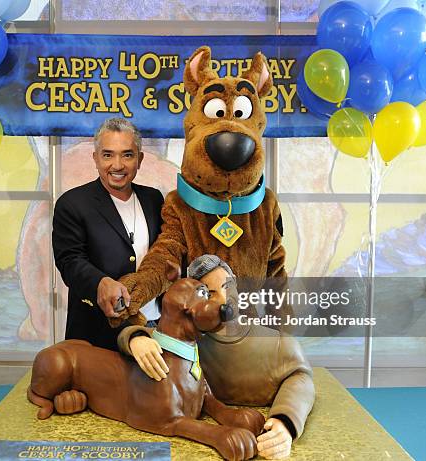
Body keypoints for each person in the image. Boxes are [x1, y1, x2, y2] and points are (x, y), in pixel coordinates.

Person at [118, 255, 315, 460]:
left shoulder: (277, 342)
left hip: (257, 425)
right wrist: (135, 338)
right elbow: (153, 338)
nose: (223, 299)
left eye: (227, 286)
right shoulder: (189, 341)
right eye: (209, 294)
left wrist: (285, 421)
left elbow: (301, 378)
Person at [52, 118, 164, 351]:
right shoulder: (72, 204)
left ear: (139, 159)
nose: (117, 165)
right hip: (98, 333)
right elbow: (70, 261)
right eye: (108, 155)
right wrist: (100, 283)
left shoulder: (154, 199)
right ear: (95, 159)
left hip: (156, 327)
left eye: (127, 155)